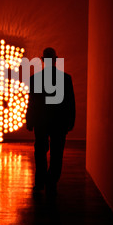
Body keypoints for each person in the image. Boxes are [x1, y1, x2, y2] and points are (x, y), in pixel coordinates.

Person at [26, 47, 75, 196]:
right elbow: (69, 102)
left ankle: (40, 182)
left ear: (42, 60)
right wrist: (70, 121)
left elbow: (32, 102)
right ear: (55, 60)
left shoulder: (35, 78)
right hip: (59, 122)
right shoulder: (65, 78)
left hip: (41, 121)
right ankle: (51, 182)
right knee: (57, 153)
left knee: (40, 152)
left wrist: (30, 120)